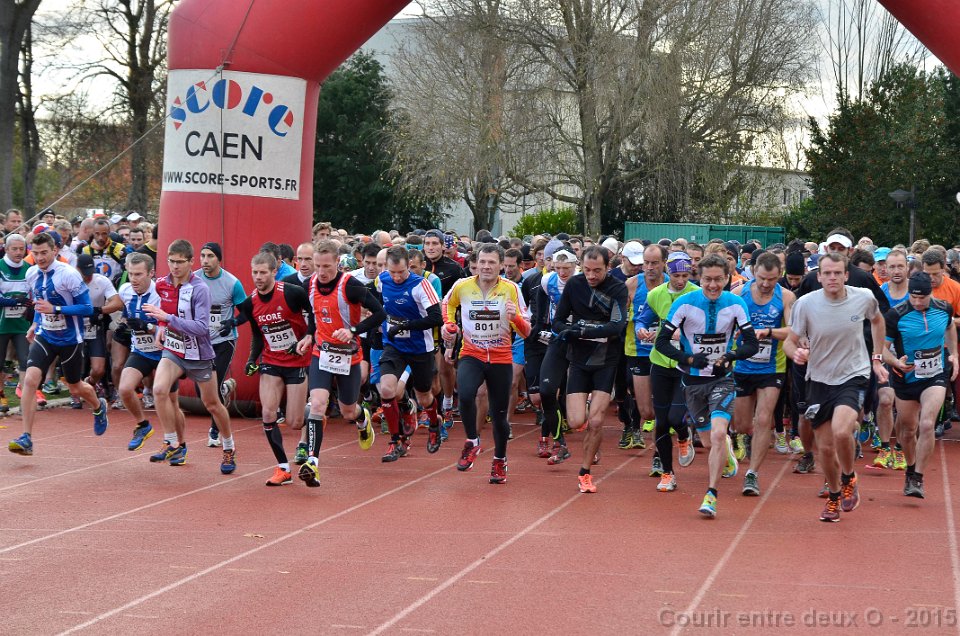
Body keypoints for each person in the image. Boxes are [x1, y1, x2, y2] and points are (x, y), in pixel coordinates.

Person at [784, 252, 888, 522]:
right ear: (818, 277)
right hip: (819, 379)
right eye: (827, 273)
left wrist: (877, 357)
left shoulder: (863, 297)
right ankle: (833, 497)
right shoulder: (806, 304)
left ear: (846, 275)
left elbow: (878, 321)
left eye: (837, 273)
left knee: (842, 430)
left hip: (854, 374)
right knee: (825, 448)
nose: (832, 277)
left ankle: (849, 477)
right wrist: (796, 353)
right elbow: (789, 341)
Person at [654, 254, 759, 516]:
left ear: (727, 278)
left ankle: (711, 495)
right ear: (699, 278)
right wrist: (688, 358)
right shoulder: (684, 303)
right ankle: (726, 453)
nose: (713, 285)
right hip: (692, 381)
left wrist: (731, 355)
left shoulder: (735, 304)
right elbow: (662, 342)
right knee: (709, 442)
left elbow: (751, 344)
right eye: (707, 279)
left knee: (718, 433)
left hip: (722, 379)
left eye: (718, 279)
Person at [8, 233, 109, 456]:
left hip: (70, 339)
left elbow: (87, 308)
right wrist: (35, 324)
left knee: (75, 387)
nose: (40, 258)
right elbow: (39, 303)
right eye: (35, 253)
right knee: (30, 380)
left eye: (44, 252)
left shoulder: (69, 274)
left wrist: (55, 310)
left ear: (54, 251)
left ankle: (98, 406)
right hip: (46, 336)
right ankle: (26, 437)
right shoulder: (32, 273)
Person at [143, 239, 236, 473]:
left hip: (199, 353)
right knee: (159, 390)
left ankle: (228, 447)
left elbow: (201, 328)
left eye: (180, 262)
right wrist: (161, 327)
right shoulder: (162, 284)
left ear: (191, 262)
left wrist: (167, 319)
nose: (174, 266)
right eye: (171, 261)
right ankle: (171, 442)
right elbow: (164, 313)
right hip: (174, 350)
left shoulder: (200, 289)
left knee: (212, 404)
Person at [300, 241, 385, 486]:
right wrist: (308, 335)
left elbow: (380, 313)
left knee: (347, 410)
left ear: (338, 262)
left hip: (349, 355)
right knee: (317, 404)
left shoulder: (351, 286)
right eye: (317, 266)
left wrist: (353, 331)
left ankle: (362, 417)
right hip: (322, 353)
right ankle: (312, 463)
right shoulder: (309, 285)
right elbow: (314, 316)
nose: (321, 271)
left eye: (327, 266)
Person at [443, 243, 530, 483]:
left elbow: (526, 331)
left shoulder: (511, 289)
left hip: (500, 357)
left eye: (491, 262)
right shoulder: (462, 286)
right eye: (482, 262)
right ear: (476, 263)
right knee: (466, 394)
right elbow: (447, 304)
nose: (486, 266)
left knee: (499, 416)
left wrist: (515, 318)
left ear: (501, 265)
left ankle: (500, 460)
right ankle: (472, 441)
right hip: (472, 353)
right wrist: (449, 324)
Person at [552, 245, 628, 494]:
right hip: (579, 360)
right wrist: (567, 331)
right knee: (576, 422)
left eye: (597, 270)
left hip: (606, 361)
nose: (591, 275)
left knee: (596, 421)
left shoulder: (617, 288)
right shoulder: (574, 285)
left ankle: (584, 473)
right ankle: (594, 440)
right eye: (587, 270)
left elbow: (617, 325)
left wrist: (584, 330)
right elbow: (558, 320)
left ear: (608, 267)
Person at [237, 252, 316, 486]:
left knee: (294, 422)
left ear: (274, 272)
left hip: (297, 361)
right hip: (271, 361)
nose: (258, 277)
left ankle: (314, 412)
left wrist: (306, 339)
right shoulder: (250, 303)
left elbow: (313, 318)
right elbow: (257, 334)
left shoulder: (293, 293)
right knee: (268, 413)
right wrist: (252, 359)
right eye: (254, 272)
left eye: (263, 272)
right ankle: (283, 468)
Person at [883, 272, 957, 499]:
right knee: (908, 430)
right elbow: (882, 349)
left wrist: (954, 354)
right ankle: (910, 467)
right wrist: (896, 362)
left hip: (935, 375)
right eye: (913, 297)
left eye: (922, 298)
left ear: (930, 293)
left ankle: (917, 477)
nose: (916, 302)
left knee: (926, 424)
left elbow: (950, 328)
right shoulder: (896, 315)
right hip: (906, 378)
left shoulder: (944, 309)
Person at [732, 252, 794, 496]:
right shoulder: (739, 294)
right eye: (762, 278)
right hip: (742, 366)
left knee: (763, 419)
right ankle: (743, 436)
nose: (766, 284)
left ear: (780, 276)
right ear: (753, 272)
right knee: (742, 424)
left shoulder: (786, 296)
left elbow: (793, 331)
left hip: (771, 367)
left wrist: (768, 331)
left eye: (772, 279)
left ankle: (752, 474)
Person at [636, 252, 700, 486]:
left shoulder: (697, 294)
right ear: (667, 273)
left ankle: (683, 435)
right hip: (661, 362)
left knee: (675, 417)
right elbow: (642, 318)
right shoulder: (655, 294)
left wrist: (684, 335)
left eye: (685, 275)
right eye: (676, 276)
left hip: (685, 366)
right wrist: (641, 330)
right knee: (661, 422)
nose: (681, 280)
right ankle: (667, 472)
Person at [376, 246, 443, 462]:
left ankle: (434, 423)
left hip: (419, 347)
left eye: (401, 272)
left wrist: (406, 325)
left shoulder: (421, 285)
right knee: (387, 389)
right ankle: (396, 441)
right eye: (392, 272)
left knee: (424, 395)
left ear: (409, 266)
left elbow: (437, 318)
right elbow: (378, 304)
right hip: (393, 345)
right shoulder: (381, 280)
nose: (396, 277)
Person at [195, 242, 246, 446]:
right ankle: (225, 390)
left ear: (219, 259)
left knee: (213, 388)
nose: (205, 260)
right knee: (202, 391)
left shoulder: (232, 283)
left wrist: (232, 322)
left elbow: (246, 313)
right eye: (202, 256)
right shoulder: (193, 279)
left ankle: (215, 432)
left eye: (210, 256)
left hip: (224, 340)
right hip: (200, 341)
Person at [116, 252, 164, 450]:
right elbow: (127, 313)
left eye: (138, 274)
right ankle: (143, 425)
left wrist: (148, 327)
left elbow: (172, 327)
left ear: (151, 273)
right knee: (125, 389)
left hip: (164, 353)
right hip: (141, 351)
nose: (133, 279)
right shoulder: (125, 290)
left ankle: (176, 443)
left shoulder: (161, 294)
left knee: (167, 400)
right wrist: (123, 326)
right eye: (131, 274)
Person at [76, 254, 122, 409]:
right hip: (75, 328)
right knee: (75, 364)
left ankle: (89, 384)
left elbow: (117, 303)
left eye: (90, 273)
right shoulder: (70, 281)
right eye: (84, 273)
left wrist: (100, 310)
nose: (88, 277)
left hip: (94, 327)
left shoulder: (101, 281)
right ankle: (75, 392)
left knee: (98, 369)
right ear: (77, 269)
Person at [0, 233, 37, 412]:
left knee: (25, 360)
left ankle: (24, 399)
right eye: (14, 249)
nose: (18, 252)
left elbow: (34, 295)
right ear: (6, 249)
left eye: (21, 249)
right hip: (2, 324)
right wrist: (14, 301)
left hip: (22, 325)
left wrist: (30, 304)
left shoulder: (30, 269)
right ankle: (1, 397)